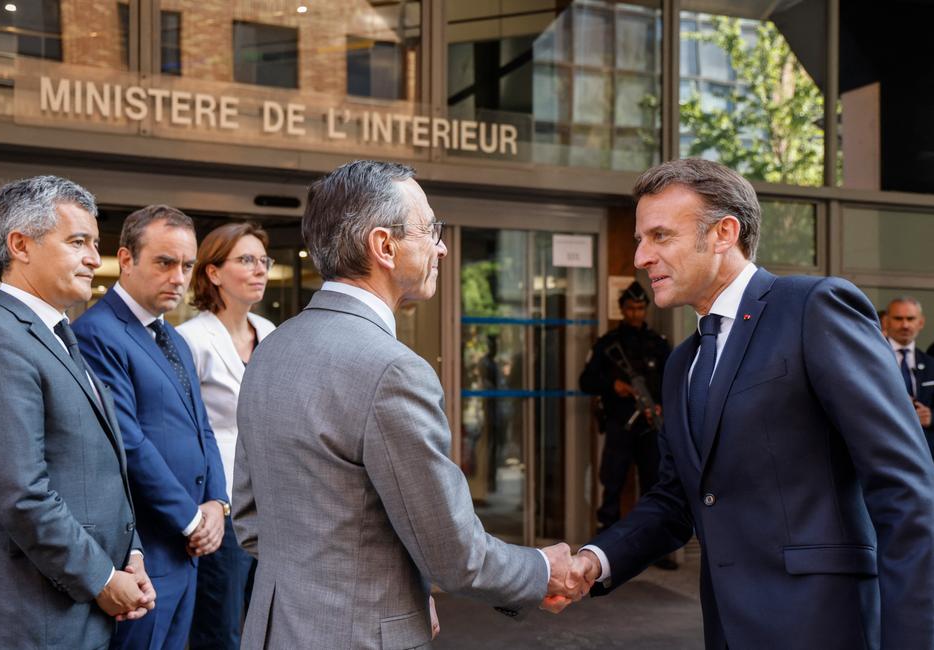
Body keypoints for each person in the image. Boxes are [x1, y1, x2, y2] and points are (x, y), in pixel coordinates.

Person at [569, 159, 934, 649]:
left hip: (826, 627)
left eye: (659, 236)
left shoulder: (813, 307)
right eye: (640, 239)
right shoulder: (681, 364)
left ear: (723, 233)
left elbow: (904, 489)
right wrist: (595, 560)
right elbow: (677, 499)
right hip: (728, 630)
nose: (640, 257)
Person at [232, 160, 587, 649]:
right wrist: (544, 569)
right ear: (383, 246)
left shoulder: (269, 349)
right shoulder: (392, 370)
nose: (441, 245)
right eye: (430, 229)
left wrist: (400, 590)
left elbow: (251, 523)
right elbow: (455, 555)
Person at [0, 176, 154, 648]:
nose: (94, 258)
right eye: (78, 242)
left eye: (94, 243)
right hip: (28, 614)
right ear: (20, 245)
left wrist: (131, 552)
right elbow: (20, 491)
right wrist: (104, 578)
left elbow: (96, 470)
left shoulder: (58, 335)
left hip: (72, 606)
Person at [73, 205, 229, 650]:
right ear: (125, 259)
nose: (178, 277)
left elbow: (205, 428)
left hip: (187, 550)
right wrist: (192, 518)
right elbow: (128, 443)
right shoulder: (97, 333)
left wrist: (217, 503)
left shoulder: (174, 337)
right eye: (165, 262)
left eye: (186, 265)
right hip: (144, 552)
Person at [177, 222, 276, 649]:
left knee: (267, 618)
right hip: (222, 504)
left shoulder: (271, 332)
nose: (260, 270)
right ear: (213, 272)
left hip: (273, 501)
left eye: (263, 261)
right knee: (220, 627)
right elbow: (185, 432)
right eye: (246, 260)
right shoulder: (190, 340)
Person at [579, 281, 670, 536]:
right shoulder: (608, 345)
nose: (636, 313)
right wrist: (612, 385)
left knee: (654, 484)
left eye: (640, 308)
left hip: (651, 425)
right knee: (613, 483)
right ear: (622, 309)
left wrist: (661, 405)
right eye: (631, 308)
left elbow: (673, 382)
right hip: (620, 422)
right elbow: (586, 381)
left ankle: (655, 543)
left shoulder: (659, 344)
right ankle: (605, 548)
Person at [885, 297, 934, 456]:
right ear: (886, 322)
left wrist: (931, 417)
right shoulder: (869, 361)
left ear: (920, 322)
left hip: (923, 453)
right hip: (884, 448)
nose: (905, 325)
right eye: (898, 318)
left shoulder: (931, 364)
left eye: (910, 319)